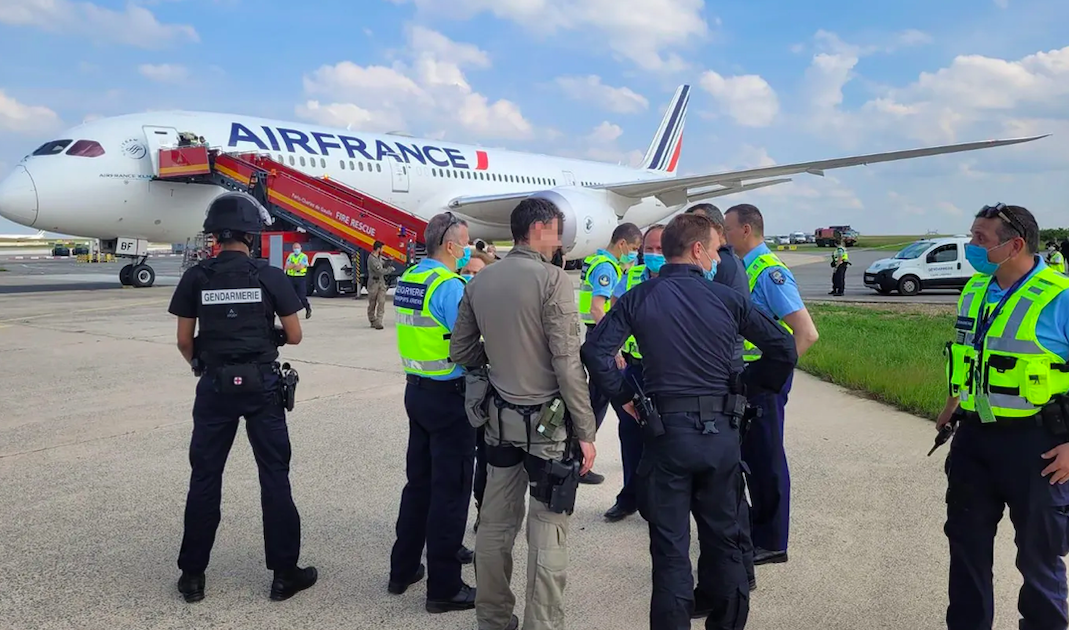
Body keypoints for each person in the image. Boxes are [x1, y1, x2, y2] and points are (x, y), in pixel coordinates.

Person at [581, 213, 797, 630]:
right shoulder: (729, 299)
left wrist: (626, 396)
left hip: (666, 436)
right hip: (721, 437)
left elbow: (595, 351)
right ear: (697, 249)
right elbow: (784, 349)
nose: (718, 258)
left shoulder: (639, 296)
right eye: (715, 250)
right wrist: (745, 388)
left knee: (670, 550)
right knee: (727, 543)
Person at [450, 196, 599, 630]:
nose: (559, 241)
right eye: (556, 231)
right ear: (538, 231)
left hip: (500, 424)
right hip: (549, 431)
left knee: (495, 527)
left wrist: (499, 363)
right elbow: (567, 362)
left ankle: (493, 618)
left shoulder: (480, 282)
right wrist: (586, 430)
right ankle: (542, 623)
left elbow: (461, 350)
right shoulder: (553, 281)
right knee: (548, 529)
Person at [167, 191, 317, 603]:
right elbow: (295, 335)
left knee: (205, 478)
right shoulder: (268, 276)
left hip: (214, 386)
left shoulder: (196, 276)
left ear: (214, 235)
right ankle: (284, 573)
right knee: (274, 476)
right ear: (252, 235)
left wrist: (202, 364)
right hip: (262, 387)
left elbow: (183, 340)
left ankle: (193, 577)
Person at [939, 203, 1069, 630]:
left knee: (1040, 557)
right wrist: (953, 402)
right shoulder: (975, 289)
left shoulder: (1060, 296)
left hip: (1038, 447)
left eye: (981, 239)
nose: (971, 246)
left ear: (1014, 245)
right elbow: (970, 354)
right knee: (966, 548)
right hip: (975, 439)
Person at [388, 212, 477, 614]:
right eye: (466, 242)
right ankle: (445, 588)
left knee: (418, 485)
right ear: (451, 245)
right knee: (451, 493)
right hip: (449, 396)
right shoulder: (449, 286)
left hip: (417, 389)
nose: (469, 249)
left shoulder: (410, 278)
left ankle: (403, 569)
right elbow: (468, 344)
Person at [723, 203, 820, 567]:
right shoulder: (742, 269)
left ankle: (773, 541)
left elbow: (806, 333)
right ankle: (757, 529)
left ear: (746, 230)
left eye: (729, 230)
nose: (726, 237)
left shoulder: (768, 273)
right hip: (747, 379)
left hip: (761, 381)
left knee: (766, 459)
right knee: (751, 457)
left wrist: (773, 377)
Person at [683, 202, 757, 601]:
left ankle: (724, 583)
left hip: (720, 384)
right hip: (723, 380)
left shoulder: (721, 267)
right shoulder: (726, 265)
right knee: (725, 489)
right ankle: (737, 571)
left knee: (721, 496)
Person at [602, 223, 665, 523]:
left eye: (660, 249)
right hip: (635, 368)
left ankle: (663, 503)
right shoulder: (632, 276)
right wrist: (615, 352)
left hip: (668, 373)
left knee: (668, 438)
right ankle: (630, 497)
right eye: (649, 249)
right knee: (630, 433)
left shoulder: (682, 278)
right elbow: (613, 308)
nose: (654, 255)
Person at [578, 222, 644, 484]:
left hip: (594, 335)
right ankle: (581, 458)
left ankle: (581, 455)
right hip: (601, 337)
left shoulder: (594, 259)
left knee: (600, 399)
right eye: (635, 248)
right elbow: (598, 307)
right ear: (622, 244)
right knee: (605, 399)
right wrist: (613, 345)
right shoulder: (607, 267)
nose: (635, 254)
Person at [366, 240, 394, 329]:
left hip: (381, 283)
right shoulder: (372, 259)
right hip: (373, 283)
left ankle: (379, 321)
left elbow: (383, 265)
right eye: (382, 248)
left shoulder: (379, 257)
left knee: (381, 302)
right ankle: (372, 320)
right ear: (378, 249)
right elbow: (379, 271)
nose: (383, 250)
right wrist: (390, 270)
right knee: (372, 303)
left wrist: (389, 261)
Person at [284, 243, 312, 319]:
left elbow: (300, 267)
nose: (296, 249)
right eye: (295, 248)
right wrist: (296, 265)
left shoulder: (303, 256)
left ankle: (308, 308)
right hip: (290, 277)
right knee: (291, 296)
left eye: (298, 247)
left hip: (300, 278)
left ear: (301, 248)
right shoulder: (291, 256)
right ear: (293, 249)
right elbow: (287, 267)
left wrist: (293, 265)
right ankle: (291, 314)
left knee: (302, 296)